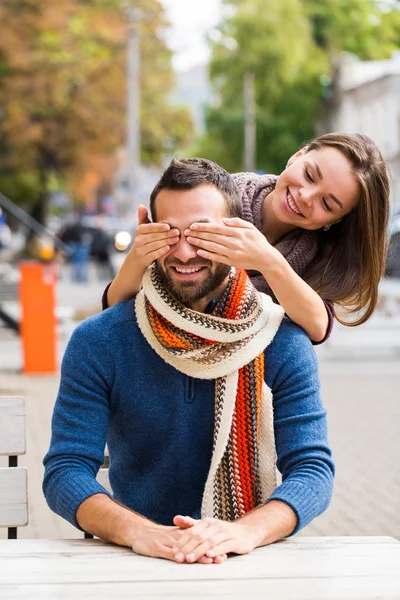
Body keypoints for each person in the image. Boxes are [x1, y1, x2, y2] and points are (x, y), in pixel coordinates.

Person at [43, 158, 334, 564]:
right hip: (134, 560)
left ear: (236, 235)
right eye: (169, 234)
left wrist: (243, 532)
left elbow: (313, 470)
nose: (183, 252)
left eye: (202, 233)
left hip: (247, 558)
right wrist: (140, 533)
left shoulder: (280, 338)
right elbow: (65, 471)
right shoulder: (99, 341)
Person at [103, 132, 390, 343]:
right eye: (310, 175)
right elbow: (115, 306)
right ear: (297, 157)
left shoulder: (319, 257)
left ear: (336, 220)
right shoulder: (211, 198)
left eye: (327, 204)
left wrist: (268, 260)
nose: (305, 196)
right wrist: (139, 257)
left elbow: (318, 327)